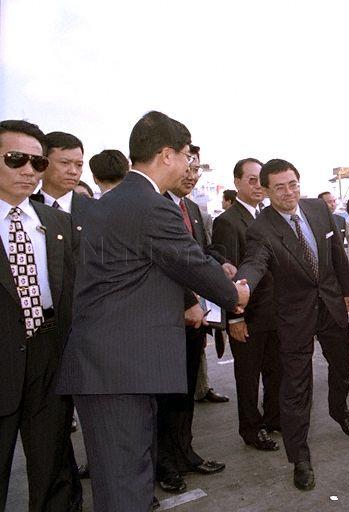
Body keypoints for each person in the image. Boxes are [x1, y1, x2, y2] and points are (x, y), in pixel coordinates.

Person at [56, 111, 249, 512]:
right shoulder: (150, 204)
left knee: (126, 482)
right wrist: (234, 294)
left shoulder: (119, 200)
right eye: (185, 156)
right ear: (166, 155)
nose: (188, 165)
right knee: (125, 488)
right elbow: (190, 262)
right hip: (117, 372)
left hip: (113, 368)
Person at [234, 158, 349, 491]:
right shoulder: (261, 229)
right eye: (279, 187)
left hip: (331, 304)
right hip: (293, 315)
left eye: (293, 184)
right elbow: (254, 262)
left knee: (341, 366)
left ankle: (339, 408)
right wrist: (242, 286)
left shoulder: (319, 209)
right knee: (296, 388)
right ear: (266, 190)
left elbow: (335, 253)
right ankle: (299, 458)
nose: (289, 192)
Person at [0, 120, 79, 511]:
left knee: (52, 468)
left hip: (49, 353)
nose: (29, 170)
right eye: (16, 160)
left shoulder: (56, 223)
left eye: (36, 161)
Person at [155, 145, 231, 494]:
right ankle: (163, 464)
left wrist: (220, 262)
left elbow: (199, 253)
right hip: (164, 320)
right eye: (188, 166)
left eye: (197, 168)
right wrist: (187, 300)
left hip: (195, 319)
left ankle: (185, 453)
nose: (192, 174)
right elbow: (163, 263)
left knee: (185, 394)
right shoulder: (155, 207)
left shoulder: (193, 209)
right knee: (165, 398)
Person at [211, 158, 282, 451]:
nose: (257, 186)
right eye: (251, 180)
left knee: (277, 372)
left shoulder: (271, 217)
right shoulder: (227, 222)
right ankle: (251, 430)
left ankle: (274, 419)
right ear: (237, 182)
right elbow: (228, 274)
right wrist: (234, 318)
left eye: (260, 180)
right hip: (247, 316)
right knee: (248, 378)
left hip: (276, 312)